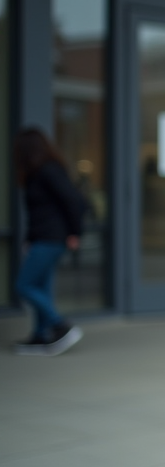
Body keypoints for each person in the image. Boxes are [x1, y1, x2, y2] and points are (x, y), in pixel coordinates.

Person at [13, 126, 87, 356]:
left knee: (24, 285)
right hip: (43, 237)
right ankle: (40, 337)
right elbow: (38, 211)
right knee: (41, 286)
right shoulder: (37, 172)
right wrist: (30, 238)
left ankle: (60, 325)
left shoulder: (49, 170)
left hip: (52, 238)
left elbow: (74, 201)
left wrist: (75, 232)